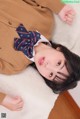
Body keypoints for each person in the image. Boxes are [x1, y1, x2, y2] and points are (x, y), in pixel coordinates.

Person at [0, 0, 78, 111]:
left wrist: (2, 99)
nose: (47, 66)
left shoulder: (13, 65)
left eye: (51, 74)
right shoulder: (46, 21)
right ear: (60, 50)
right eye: (58, 63)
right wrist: (59, 7)